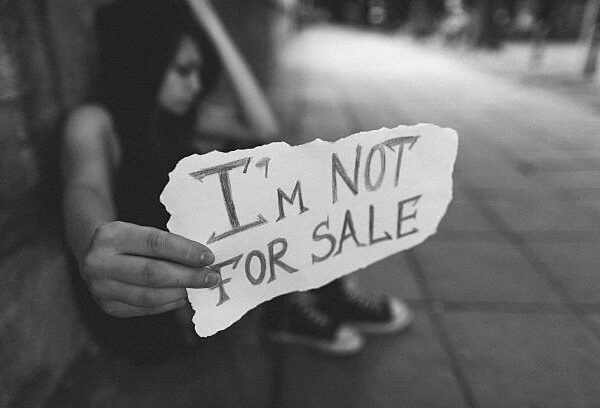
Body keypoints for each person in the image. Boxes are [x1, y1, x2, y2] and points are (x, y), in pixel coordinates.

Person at [62, 0, 410, 359]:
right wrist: (96, 245)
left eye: (199, 71)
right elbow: (85, 188)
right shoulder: (93, 121)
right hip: (145, 308)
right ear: (145, 59)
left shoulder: (172, 117)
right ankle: (293, 307)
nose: (195, 85)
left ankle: (317, 294)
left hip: (194, 286)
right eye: (183, 70)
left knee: (268, 163)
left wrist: (208, 18)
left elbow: (264, 128)